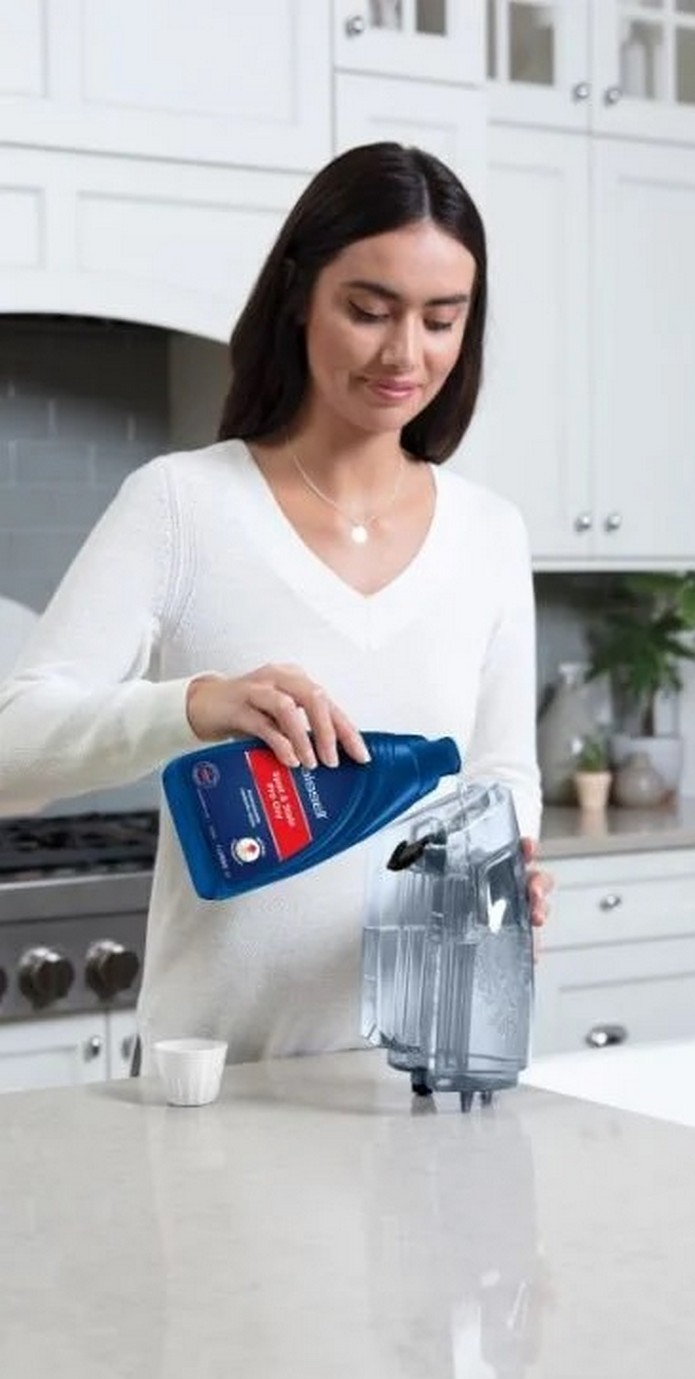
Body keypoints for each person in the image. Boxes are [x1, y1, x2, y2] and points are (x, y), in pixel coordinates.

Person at [0, 142, 552, 1064]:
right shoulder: (182, 505)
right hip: (214, 1088)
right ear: (299, 295)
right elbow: (13, 748)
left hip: (416, 1084)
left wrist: (506, 872)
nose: (404, 353)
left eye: (442, 319)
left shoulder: (491, 534)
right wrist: (195, 704)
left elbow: (500, 780)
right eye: (369, 310)